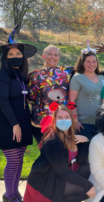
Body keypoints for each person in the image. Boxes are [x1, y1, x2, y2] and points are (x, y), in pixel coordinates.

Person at [24, 105, 95, 202]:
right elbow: (63, 171)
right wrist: (88, 186)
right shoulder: (53, 140)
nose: (64, 120)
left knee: (88, 168)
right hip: (45, 181)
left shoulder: (73, 134)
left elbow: (81, 161)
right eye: (60, 117)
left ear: (72, 118)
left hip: (59, 175)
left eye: (66, 117)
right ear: (54, 120)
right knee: (84, 191)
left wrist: (85, 141)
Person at [0, 27, 35, 202]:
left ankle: (14, 194)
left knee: (19, 160)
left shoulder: (21, 76)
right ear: (5, 57)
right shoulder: (3, 74)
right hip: (9, 123)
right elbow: (3, 101)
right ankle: (8, 195)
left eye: (18, 54)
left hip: (23, 121)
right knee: (13, 160)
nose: (15, 57)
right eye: (11, 54)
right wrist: (14, 124)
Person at [28, 45, 74, 144]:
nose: (52, 57)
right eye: (49, 54)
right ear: (43, 56)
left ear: (59, 58)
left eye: (55, 55)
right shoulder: (34, 76)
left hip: (63, 120)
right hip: (41, 122)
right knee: (45, 150)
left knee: (64, 149)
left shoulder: (68, 73)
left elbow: (87, 71)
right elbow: (30, 98)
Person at [69, 51, 104, 140]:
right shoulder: (77, 78)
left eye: (94, 61)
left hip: (101, 124)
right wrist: (75, 121)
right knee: (82, 153)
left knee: (100, 153)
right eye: (88, 61)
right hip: (83, 125)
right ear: (82, 63)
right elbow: (72, 101)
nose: (91, 64)